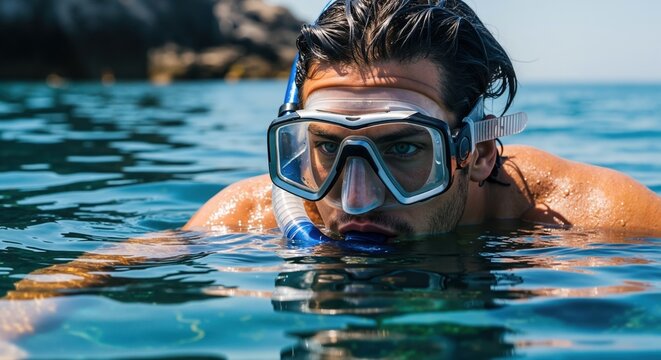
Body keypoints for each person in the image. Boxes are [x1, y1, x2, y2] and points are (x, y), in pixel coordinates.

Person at [185, 0, 660, 238]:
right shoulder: (246, 218)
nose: (355, 202)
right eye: (328, 145)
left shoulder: (596, 223)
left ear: (476, 154)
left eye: (403, 147)